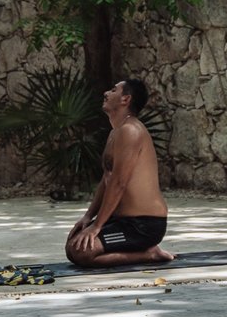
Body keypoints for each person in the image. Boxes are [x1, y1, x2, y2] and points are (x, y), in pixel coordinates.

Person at [66, 77, 173, 267]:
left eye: (113, 90)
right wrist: (88, 217)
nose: (106, 93)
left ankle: (150, 254)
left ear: (126, 99)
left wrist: (97, 226)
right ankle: (142, 250)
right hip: (122, 220)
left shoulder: (131, 130)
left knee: (81, 252)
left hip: (143, 224)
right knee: (74, 242)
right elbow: (107, 180)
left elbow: (119, 183)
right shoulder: (116, 132)